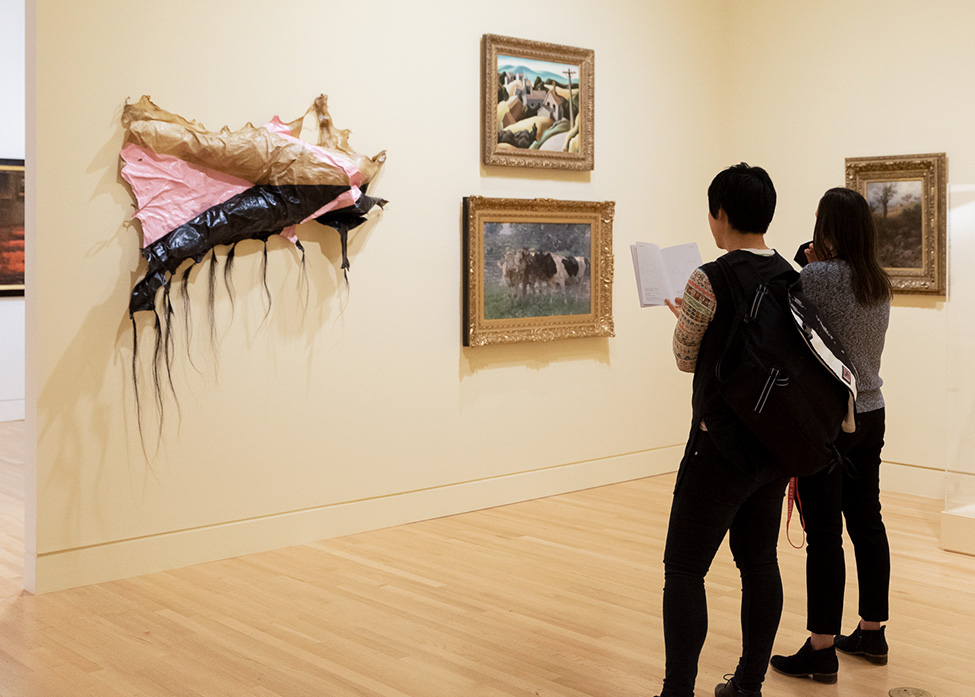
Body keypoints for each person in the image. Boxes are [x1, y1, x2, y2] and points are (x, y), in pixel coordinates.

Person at [655, 163, 792, 697]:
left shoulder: (707, 279)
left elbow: (686, 358)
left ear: (721, 214)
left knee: (685, 569)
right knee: (759, 562)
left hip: (721, 446)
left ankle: (678, 692)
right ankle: (748, 684)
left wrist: (687, 324)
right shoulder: (792, 277)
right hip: (775, 445)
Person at [770, 187, 892, 683]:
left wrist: (803, 260)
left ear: (829, 227)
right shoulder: (878, 281)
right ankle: (872, 631)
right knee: (867, 522)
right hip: (873, 411)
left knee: (824, 533)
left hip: (830, 418)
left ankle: (821, 649)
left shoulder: (817, 277)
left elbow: (788, 305)